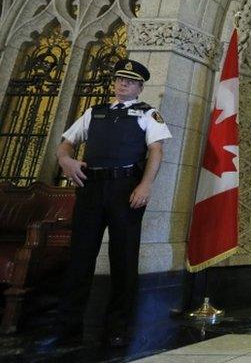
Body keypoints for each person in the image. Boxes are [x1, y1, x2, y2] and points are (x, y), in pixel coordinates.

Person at [40, 59, 171, 348]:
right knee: (80, 257)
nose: (122, 84)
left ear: (139, 86)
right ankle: (68, 326)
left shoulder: (148, 114)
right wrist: (65, 160)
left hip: (126, 190)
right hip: (90, 187)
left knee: (123, 259)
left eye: (129, 80)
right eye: (119, 79)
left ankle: (118, 327)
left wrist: (145, 185)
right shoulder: (94, 113)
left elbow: (156, 151)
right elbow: (67, 142)